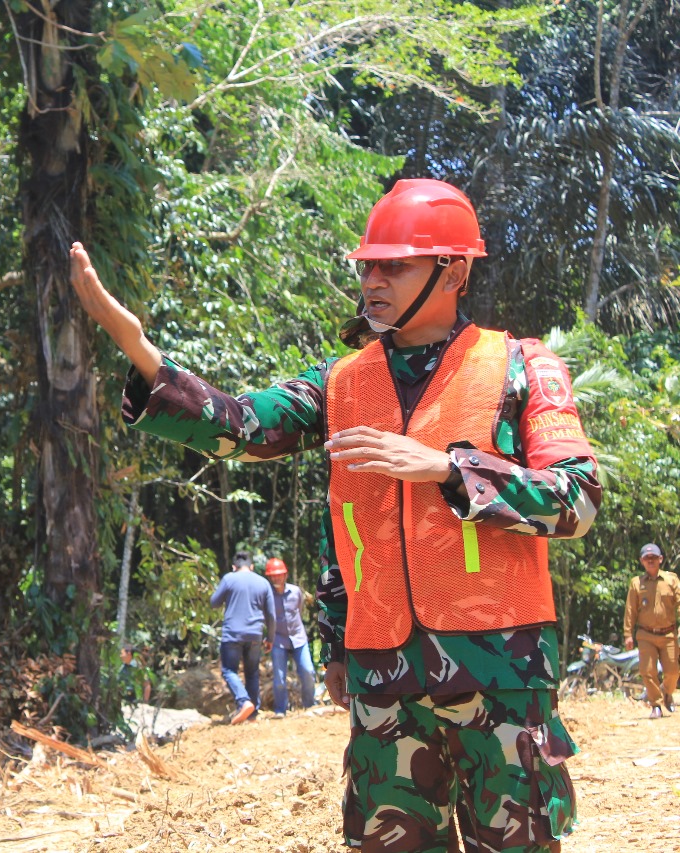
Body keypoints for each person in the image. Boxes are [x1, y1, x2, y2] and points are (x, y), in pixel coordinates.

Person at [69, 178, 601, 852]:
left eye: (394, 265)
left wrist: (449, 468)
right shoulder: (340, 381)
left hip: (503, 673)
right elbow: (244, 426)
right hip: (386, 677)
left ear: (454, 270)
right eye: (366, 265)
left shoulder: (522, 367)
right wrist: (144, 352)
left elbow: (578, 499)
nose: (372, 279)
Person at [210, 551, 276, 723]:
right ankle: (252, 715)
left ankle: (243, 701)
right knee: (252, 672)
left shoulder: (229, 579)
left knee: (228, 670)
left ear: (234, 567)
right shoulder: (263, 582)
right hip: (255, 634)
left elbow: (214, 602)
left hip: (232, 633)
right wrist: (270, 638)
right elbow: (271, 614)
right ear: (252, 567)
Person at [623, 543, 678, 719]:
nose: (651, 561)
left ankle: (667, 693)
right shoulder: (636, 583)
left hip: (668, 634)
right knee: (647, 671)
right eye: (647, 558)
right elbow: (630, 610)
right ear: (642, 561)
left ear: (660, 559)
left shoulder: (671, 580)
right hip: (646, 634)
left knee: (672, 672)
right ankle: (656, 705)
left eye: (654, 557)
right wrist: (627, 635)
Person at [264, 557, 316, 717]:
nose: (276, 578)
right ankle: (281, 710)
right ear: (269, 577)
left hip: (298, 639)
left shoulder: (295, 592)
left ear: (285, 575)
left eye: (279, 575)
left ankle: (310, 705)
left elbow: (298, 611)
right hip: (278, 640)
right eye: (273, 575)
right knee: (279, 678)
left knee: (308, 671)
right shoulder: (267, 597)